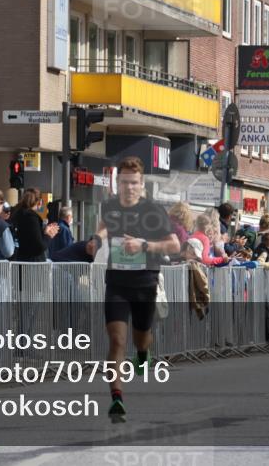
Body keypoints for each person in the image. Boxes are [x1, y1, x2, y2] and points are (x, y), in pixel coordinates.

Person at [90, 156, 179, 423]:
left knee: (141, 337)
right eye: (124, 182)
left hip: (144, 282)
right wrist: (96, 238)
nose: (129, 187)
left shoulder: (153, 211)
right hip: (117, 281)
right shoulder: (109, 205)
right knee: (117, 340)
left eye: (134, 183)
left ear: (142, 185)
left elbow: (174, 245)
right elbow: (105, 227)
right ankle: (117, 397)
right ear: (117, 183)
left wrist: (144, 245)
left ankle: (143, 354)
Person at [10, 188, 58, 262]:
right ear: (39, 203)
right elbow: (39, 246)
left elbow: (31, 237)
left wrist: (44, 232)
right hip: (33, 263)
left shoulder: (19, 215)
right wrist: (49, 235)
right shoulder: (31, 217)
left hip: (22, 259)